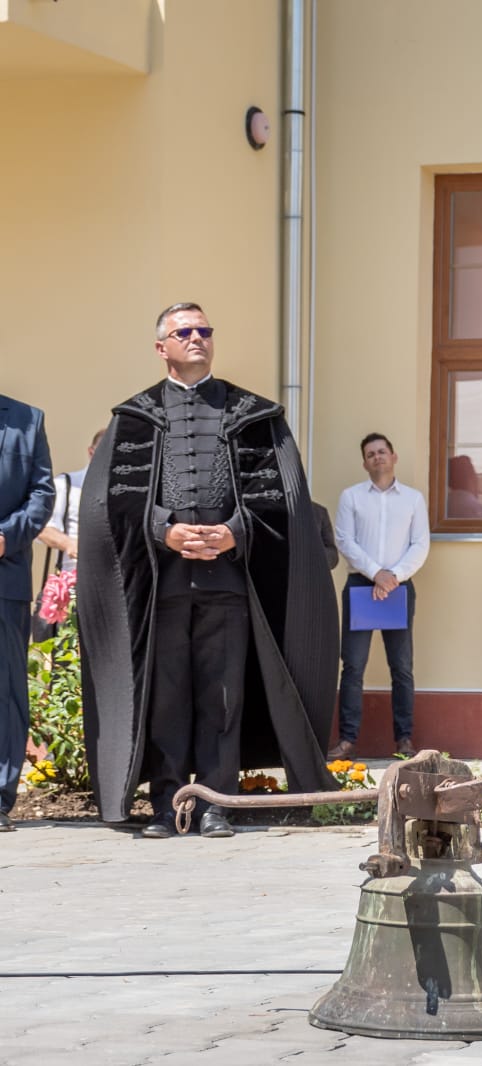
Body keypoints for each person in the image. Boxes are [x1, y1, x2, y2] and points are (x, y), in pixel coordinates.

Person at [78, 302, 338, 838]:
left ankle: (219, 804)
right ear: (162, 347)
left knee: (225, 696)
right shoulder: (134, 417)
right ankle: (166, 805)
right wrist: (162, 530)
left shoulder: (251, 413)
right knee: (166, 698)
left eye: (203, 330)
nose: (196, 338)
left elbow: (281, 502)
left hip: (229, 586)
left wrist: (235, 532)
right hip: (164, 588)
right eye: (184, 332)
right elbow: (110, 503)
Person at [330, 432, 429, 759]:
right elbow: (345, 541)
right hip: (361, 586)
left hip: (400, 587)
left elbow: (420, 545)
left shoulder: (413, 499)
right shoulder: (351, 497)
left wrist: (393, 577)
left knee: (401, 667)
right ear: (364, 462)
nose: (377, 457)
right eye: (371, 454)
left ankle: (404, 740)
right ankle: (347, 741)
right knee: (353, 666)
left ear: (394, 456)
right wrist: (377, 574)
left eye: (382, 451)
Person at [0, 394, 54, 833]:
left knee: (5, 690)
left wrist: (6, 537)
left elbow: (41, 493)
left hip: (5, 576)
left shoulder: (26, 420)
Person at [36, 429, 104, 573]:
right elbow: (42, 528)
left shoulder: (124, 491)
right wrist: (69, 544)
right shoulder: (65, 484)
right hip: (71, 578)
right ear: (91, 452)